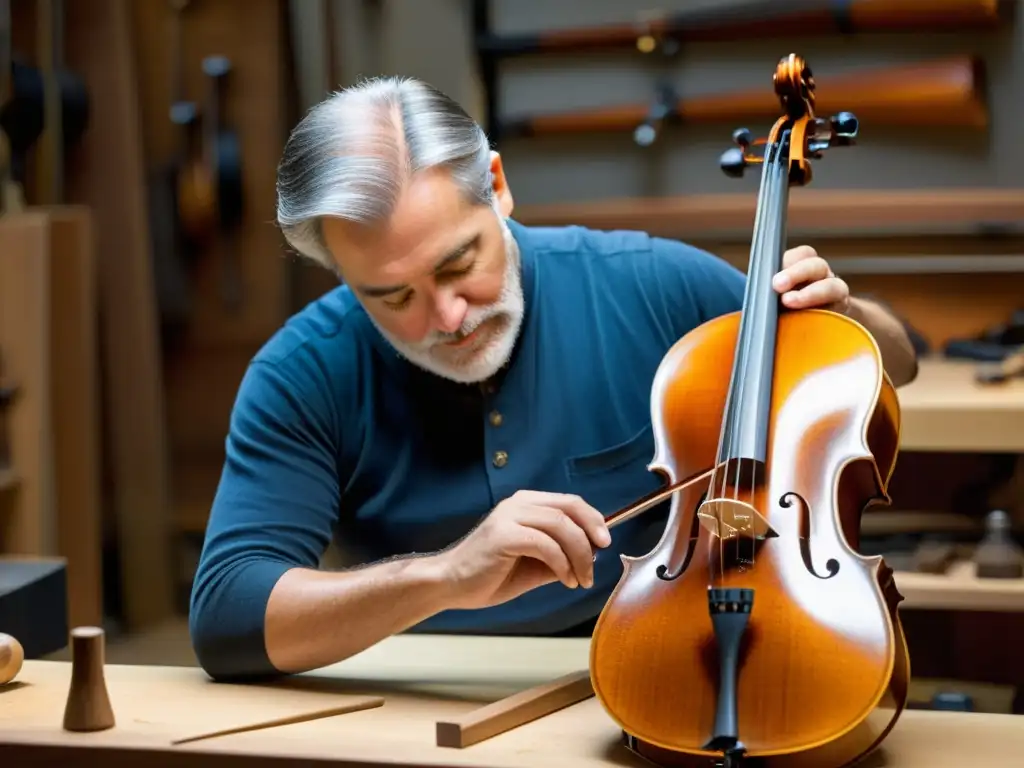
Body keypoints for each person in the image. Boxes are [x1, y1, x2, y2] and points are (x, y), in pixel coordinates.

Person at [188, 76, 919, 681]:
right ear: (337, 271)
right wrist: (446, 576)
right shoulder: (302, 370)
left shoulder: (648, 284)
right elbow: (227, 618)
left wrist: (845, 314)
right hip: (410, 684)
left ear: (498, 186)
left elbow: (898, 361)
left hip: (662, 662)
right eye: (392, 296)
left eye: (458, 263)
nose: (446, 316)